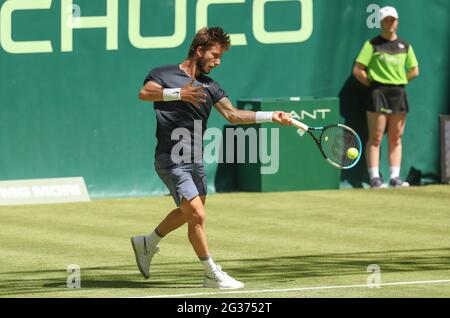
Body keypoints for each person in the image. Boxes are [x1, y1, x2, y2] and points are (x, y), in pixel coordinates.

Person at [132, 27, 292, 289]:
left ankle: (147, 243)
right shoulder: (164, 74)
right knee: (197, 215)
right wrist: (179, 93)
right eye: (215, 55)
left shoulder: (211, 86)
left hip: (194, 159)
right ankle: (210, 273)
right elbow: (145, 93)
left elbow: (233, 115)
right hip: (170, 159)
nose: (218, 62)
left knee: (190, 213)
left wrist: (271, 116)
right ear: (199, 50)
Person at [352, 6, 419, 188]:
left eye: (393, 20)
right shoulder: (372, 44)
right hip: (377, 93)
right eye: (386, 20)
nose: (390, 23)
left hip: (398, 93)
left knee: (396, 137)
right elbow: (358, 70)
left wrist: (398, 80)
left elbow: (414, 70)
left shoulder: (405, 46)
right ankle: (374, 178)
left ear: (397, 22)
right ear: (381, 22)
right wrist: (373, 83)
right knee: (376, 137)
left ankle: (395, 177)